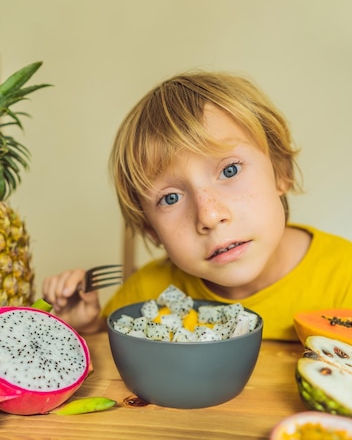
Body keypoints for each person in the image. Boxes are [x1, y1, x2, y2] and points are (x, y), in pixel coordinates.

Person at [42, 70, 352, 340]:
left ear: (280, 173)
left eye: (229, 171)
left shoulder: (344, 279)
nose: (209, 215)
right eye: (170, 198)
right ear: (152, 230)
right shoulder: (145, 292)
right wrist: (86, 328)